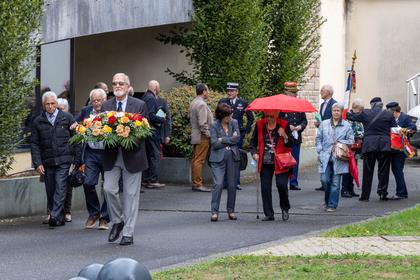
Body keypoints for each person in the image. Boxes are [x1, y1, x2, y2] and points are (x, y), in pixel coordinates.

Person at [102, 73, 148, 246]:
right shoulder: (107, 104)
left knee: (130, 195)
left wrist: (126, 137)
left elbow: (145, 131)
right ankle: (117, 220)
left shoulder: (139, 104)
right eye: (114, 83)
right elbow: (102, 127)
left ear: (128, 86)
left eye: (121, 83)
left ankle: (128, 232)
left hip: (133, 156)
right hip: (112, 156)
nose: (117, 86)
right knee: (108, 189)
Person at [31, 91, 81, 227]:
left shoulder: (67, 117)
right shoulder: (38, 121)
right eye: (47, 104)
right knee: (51, 189)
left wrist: (77, 160)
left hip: (64, 159)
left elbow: (77, 139)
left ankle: (54, 215)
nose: (50, 106)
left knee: (60, 186)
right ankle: (58, 217)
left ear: (57, 104)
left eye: (53, 103)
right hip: (47, 161)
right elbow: (34, 144)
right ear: (43, 105)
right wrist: (37, 163)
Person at [347, 97, 396, 201]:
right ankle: (383, 193)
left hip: (369, 145)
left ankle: (365, 196)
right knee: (383, 171)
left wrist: (345, 111)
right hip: (384, 145)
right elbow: (394, 128)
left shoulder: (365, 113)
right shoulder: (388, 114)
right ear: (381, 105)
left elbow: (352, 117)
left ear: (372, 104)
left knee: (367, 172)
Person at [76, 88, 110, 230]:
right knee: (88, 183)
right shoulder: (86, 111)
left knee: (108, 188)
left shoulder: (111, 111)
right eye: (94, 101)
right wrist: (76, 126)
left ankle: (105, 217)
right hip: (91, 152)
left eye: (99, 100)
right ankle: (94, 213)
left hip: (107, 153)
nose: (96, 103)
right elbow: (76, 124)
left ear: (104, 100)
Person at [250, 111, 293, 221]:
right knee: (265, 187)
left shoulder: (284, 124)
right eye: (267, 116)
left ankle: (285, 208)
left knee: (282, 185)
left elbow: (291, 143)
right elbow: (253, 142)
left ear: (276, 116)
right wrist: (254, 153)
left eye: (271, 116)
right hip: (265, 161)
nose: (269, 118)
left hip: (280, 161)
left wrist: (284, 135)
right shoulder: (260, 124)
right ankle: (269, 214)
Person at [316, 103, 354, 212]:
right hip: (325, 156)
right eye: (334, 110)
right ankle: (327, 200)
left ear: (341, 112)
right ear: (331, 112)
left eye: (338, 110)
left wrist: (340, 142)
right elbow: (318, 138)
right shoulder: (324, 124)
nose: (336, 112)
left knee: (336, 183)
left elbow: (351, 140)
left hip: (339, 157)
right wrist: (319, 150)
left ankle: (332, 205)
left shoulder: (347, 125)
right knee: (324, 180)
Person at [218, 82, 254, 190]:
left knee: (236, 158)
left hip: (238, 136)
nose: (229, 93)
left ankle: (236, 182)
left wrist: (245, 131)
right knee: (224, 157)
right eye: (228, 91)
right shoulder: (222, 102)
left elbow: (250, 118)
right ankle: (224, 183)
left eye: (232, 91)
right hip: (225, 135)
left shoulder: (242, 102)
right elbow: (217, 117)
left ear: (237, 92)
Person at [209, 104, 240, 222]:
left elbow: (237, 139)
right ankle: (214, 212)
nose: (230, 117)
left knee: (232, 185)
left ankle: (231, 210)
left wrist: (222, 139)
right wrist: (230, 139)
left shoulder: (234, 122)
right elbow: (215, 144)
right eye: (228, 116)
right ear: (221, 115)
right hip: (218, 159)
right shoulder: (214, 125)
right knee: (218, 184)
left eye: (231, 115)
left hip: (232, 156)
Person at [279, 81, 307, 190]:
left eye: (295, 92)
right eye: (292, 92)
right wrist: (287, 126)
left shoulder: (299, 105)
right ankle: (283, 181)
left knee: (295, 160)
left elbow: (304, 120)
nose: (294, 95)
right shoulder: (282, 106)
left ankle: (293, 182)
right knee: (285, 160)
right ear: (286, 93)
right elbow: (279, 120)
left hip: (296, 137)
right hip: (286, 137)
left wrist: (301, 126)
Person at [386, 102, 417, 200]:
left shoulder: (405, 118)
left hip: (400, 149)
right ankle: (402, 192)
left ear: (395, 111)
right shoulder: (390, 119)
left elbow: (413, 129)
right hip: (392, 148)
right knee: (396, 170)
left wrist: (402, 130)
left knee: (398, 170)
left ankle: (401, 193)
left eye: (390, 112)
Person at [141, 80, 166, 189]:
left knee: (148, 155)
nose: (159, 89)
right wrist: (162, 118)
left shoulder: (145, 97)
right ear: (155, 87)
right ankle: (152, 180)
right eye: (159, 87)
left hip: (146, 131)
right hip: (153, 132)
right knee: (155, 156)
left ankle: (146, 180)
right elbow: (151, 116)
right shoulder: (151, 99)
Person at [190, 83, 213, 192]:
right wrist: (210, 135)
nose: (208, 92)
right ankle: (197, 184)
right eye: (207, 90)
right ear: (204, 91)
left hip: (196, 135)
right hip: (202, 136)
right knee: (199, 160)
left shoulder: (194, 102)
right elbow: (203, 124)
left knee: (195, 159)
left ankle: (196, 183)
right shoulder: (202, 104)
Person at [315, 84, 337, 191]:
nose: (320, 92)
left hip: (331, 136)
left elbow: (336, 120)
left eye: (322, 90)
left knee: (330, 159)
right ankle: (323, 182)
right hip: (322, 135)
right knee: (322, 158)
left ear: (328, 92)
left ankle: (330, 181)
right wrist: (318, 123)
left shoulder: (335, 104)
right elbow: (322, 119)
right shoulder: (322, 105)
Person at [341, 99, 364, 198]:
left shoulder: (357, 117)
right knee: (347, 168)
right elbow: (350, 132)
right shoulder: (348, 118)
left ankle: (350, 188)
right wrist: (361, 134)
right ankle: (345, 189)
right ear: (355, 108)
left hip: (356, 148)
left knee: (353, 168)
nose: (361, 111)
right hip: (350, 146)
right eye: (360, 109)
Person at [57, 98, 74, 222]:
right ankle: (55, 211)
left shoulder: (70, 119)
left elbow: (76, 139)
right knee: (55, 185)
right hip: (54, 157)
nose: (59, 111)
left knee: (67, 185)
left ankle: (67, 210)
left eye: (62, 109)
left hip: (68, 157)